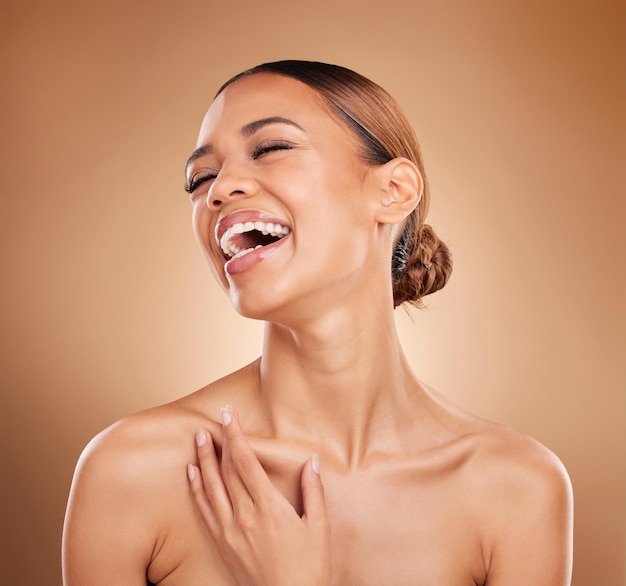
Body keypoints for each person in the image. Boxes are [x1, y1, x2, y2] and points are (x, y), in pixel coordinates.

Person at [62, 60, 573, 585]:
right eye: (202, 177)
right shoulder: (134, 471)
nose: (220, 190)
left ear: (393, 191)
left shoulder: (515, 488)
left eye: (271, 149)